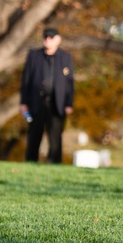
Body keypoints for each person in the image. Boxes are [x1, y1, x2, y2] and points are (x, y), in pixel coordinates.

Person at [20, 27, 74, 164]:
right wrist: (23, 103)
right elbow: (26, 80)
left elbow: (69, 83)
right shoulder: (34, 56)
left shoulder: (65, 57)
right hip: (36, 102)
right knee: (34, 134)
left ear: (58, 39)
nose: (47, 40)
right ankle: (30, 161)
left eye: (51, 38)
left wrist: (68, 103)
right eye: (45, 37)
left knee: (55, 136)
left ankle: (54, 162)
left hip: (56, 103)